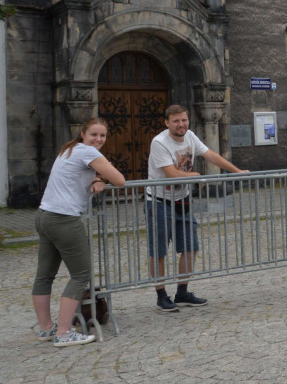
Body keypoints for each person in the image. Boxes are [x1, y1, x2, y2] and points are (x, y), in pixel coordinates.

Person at [147, 105, 249, 313]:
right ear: (167, 123)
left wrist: (237, 171)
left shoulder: (191, 137)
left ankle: (182, 292)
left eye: (184, 120)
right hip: (158, 201)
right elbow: (171, 174)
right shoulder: (159, 143)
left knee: (190, 247)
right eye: (176, 121)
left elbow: (212, 155)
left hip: (182, 200)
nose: (181, 124)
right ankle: (161, 295)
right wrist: (196, 176)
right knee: (159, 252)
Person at [33, 118, 125, 346]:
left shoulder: (70, 148)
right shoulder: (86, 152)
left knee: (44, 276)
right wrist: (102, 177)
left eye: (103, 135)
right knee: (80, 275)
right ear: (83, 133)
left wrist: (97, 176)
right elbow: (120, 180)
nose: (99, 139)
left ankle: (46, 329)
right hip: (64, 219)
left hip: (44, 215)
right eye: (94, 134)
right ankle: (64, 333)